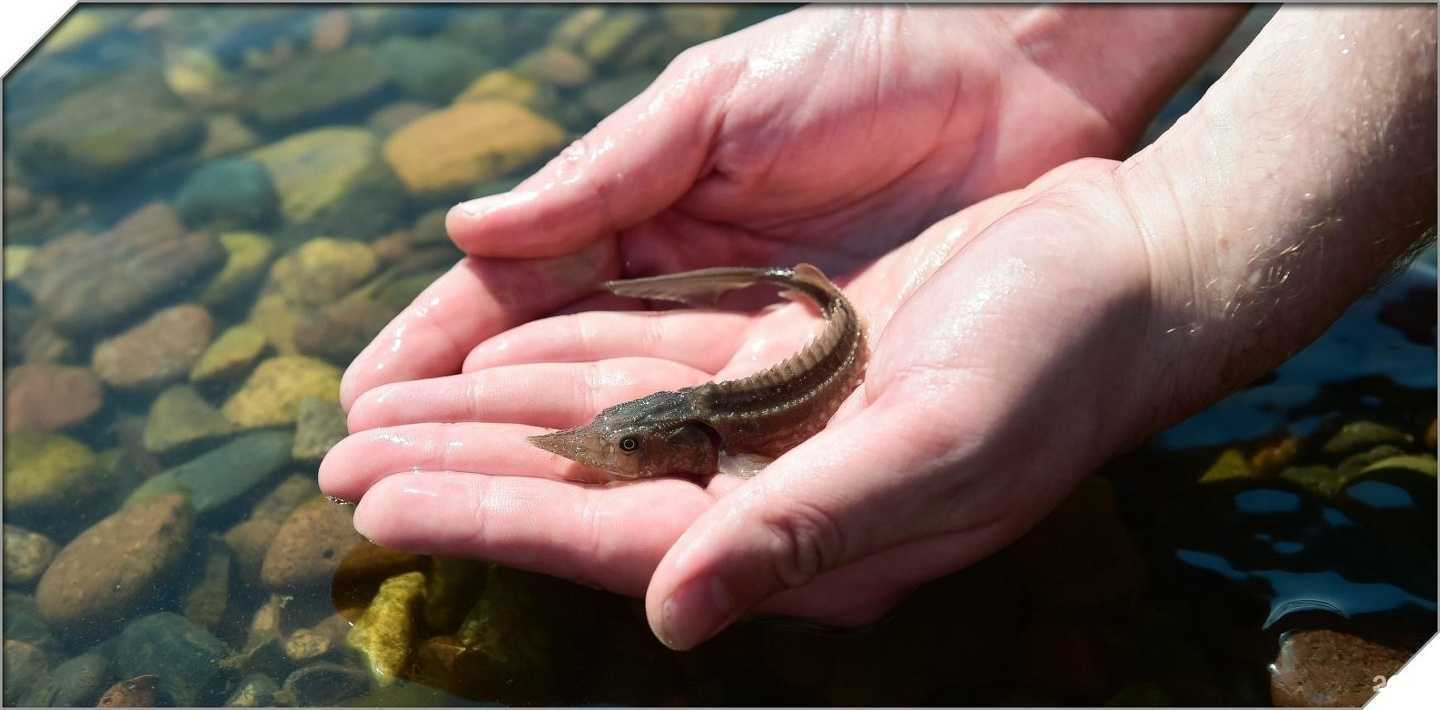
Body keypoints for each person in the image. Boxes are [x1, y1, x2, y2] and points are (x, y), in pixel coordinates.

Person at [319, 4, 1436, 651]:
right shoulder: (691, 423)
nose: (609, 450)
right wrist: (1020, 37)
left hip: (825, 320)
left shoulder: (738, 424)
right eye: (625, 441)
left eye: (630, 444)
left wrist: (1175, 240)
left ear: (687, 445)